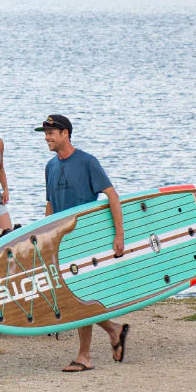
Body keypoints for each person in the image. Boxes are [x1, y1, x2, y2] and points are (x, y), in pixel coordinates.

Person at [37, 113, 131, 372]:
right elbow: (50, 203)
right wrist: (45, 236)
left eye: (50, 133)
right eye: (45, 133)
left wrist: (119, 235)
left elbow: (112, 196)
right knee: (71, 297)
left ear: (65, 133)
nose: (46, 138)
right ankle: (114, 330)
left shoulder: (88, 162)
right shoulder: (50, 166)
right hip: (61, 241)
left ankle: (85, 356)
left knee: (79, 296)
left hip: (86, 240)